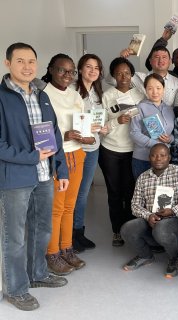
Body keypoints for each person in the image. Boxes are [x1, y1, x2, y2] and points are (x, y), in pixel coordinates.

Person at [0, 42, 68, 311]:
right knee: (14, 237)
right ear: (8, 64)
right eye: (20, 61)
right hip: (15, 177)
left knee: (42, 229)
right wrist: (31, 157)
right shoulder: (2, 97)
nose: (27, 67)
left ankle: (37, 274)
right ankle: (16, 289)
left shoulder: (42, 94)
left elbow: (54, 133)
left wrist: (60, 168)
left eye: (31, 61)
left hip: (44, 175)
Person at [42, 54, 92, 275]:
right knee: (56, 208)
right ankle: (52, 253)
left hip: (77, 154)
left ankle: (67, 248)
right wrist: (65, 135)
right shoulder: (42, 95)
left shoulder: (75, 95)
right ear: (51, 69)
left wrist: (87, 135)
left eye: (71, 71)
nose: (67, 75)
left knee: (70, 207)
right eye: (62, 70)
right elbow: (41, 134)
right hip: (57, 157)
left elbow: (84, 124)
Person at [121, 144, 178, 277]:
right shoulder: (143, 177)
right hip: (151, 220)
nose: (158, 159)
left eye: (162, 155)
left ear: (169, 157)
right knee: (126, 229)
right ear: (149, 158)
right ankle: (145, 256)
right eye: (154, 155)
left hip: (174, 222)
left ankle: (175, 258)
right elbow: (135, 205)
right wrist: (148, 215)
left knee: (161, 229)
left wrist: (174, 210)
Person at [99, 57, 145, 247]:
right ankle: (117, 230)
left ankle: (130, 229)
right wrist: (116, 121)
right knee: (114, 192)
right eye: (119, 73)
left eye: (127, 72)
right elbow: (100, 126)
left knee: (131, 192)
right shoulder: (107, 95)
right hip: (110, 149)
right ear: (114, 75)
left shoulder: (140, 95)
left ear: (132, 74)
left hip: (133, 150)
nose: (123, 76)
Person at [71, 53, 106, 253]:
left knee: (83, 193)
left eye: (96, 68)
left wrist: (102, 128)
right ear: (81, 69)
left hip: (93, 148)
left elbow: (98, 120)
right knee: (73, 193)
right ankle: (69, 236)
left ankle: (78, 232)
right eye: (88, 66)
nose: (92, 71)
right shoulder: (72, 91)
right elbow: (70, 121)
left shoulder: (97, 92)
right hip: (76, 149)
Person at [130, 73, 175, 179]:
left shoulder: (169, 109)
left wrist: (169, 139)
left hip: (163, 160)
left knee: (162, 193)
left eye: (158, 88)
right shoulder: (139, 107)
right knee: (143, 194)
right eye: (150, 88)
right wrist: (156, 145)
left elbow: (172, 134)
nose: (155, 92)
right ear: (145, 90)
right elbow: (134, 133)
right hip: (143, 159)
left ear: (164, 89)